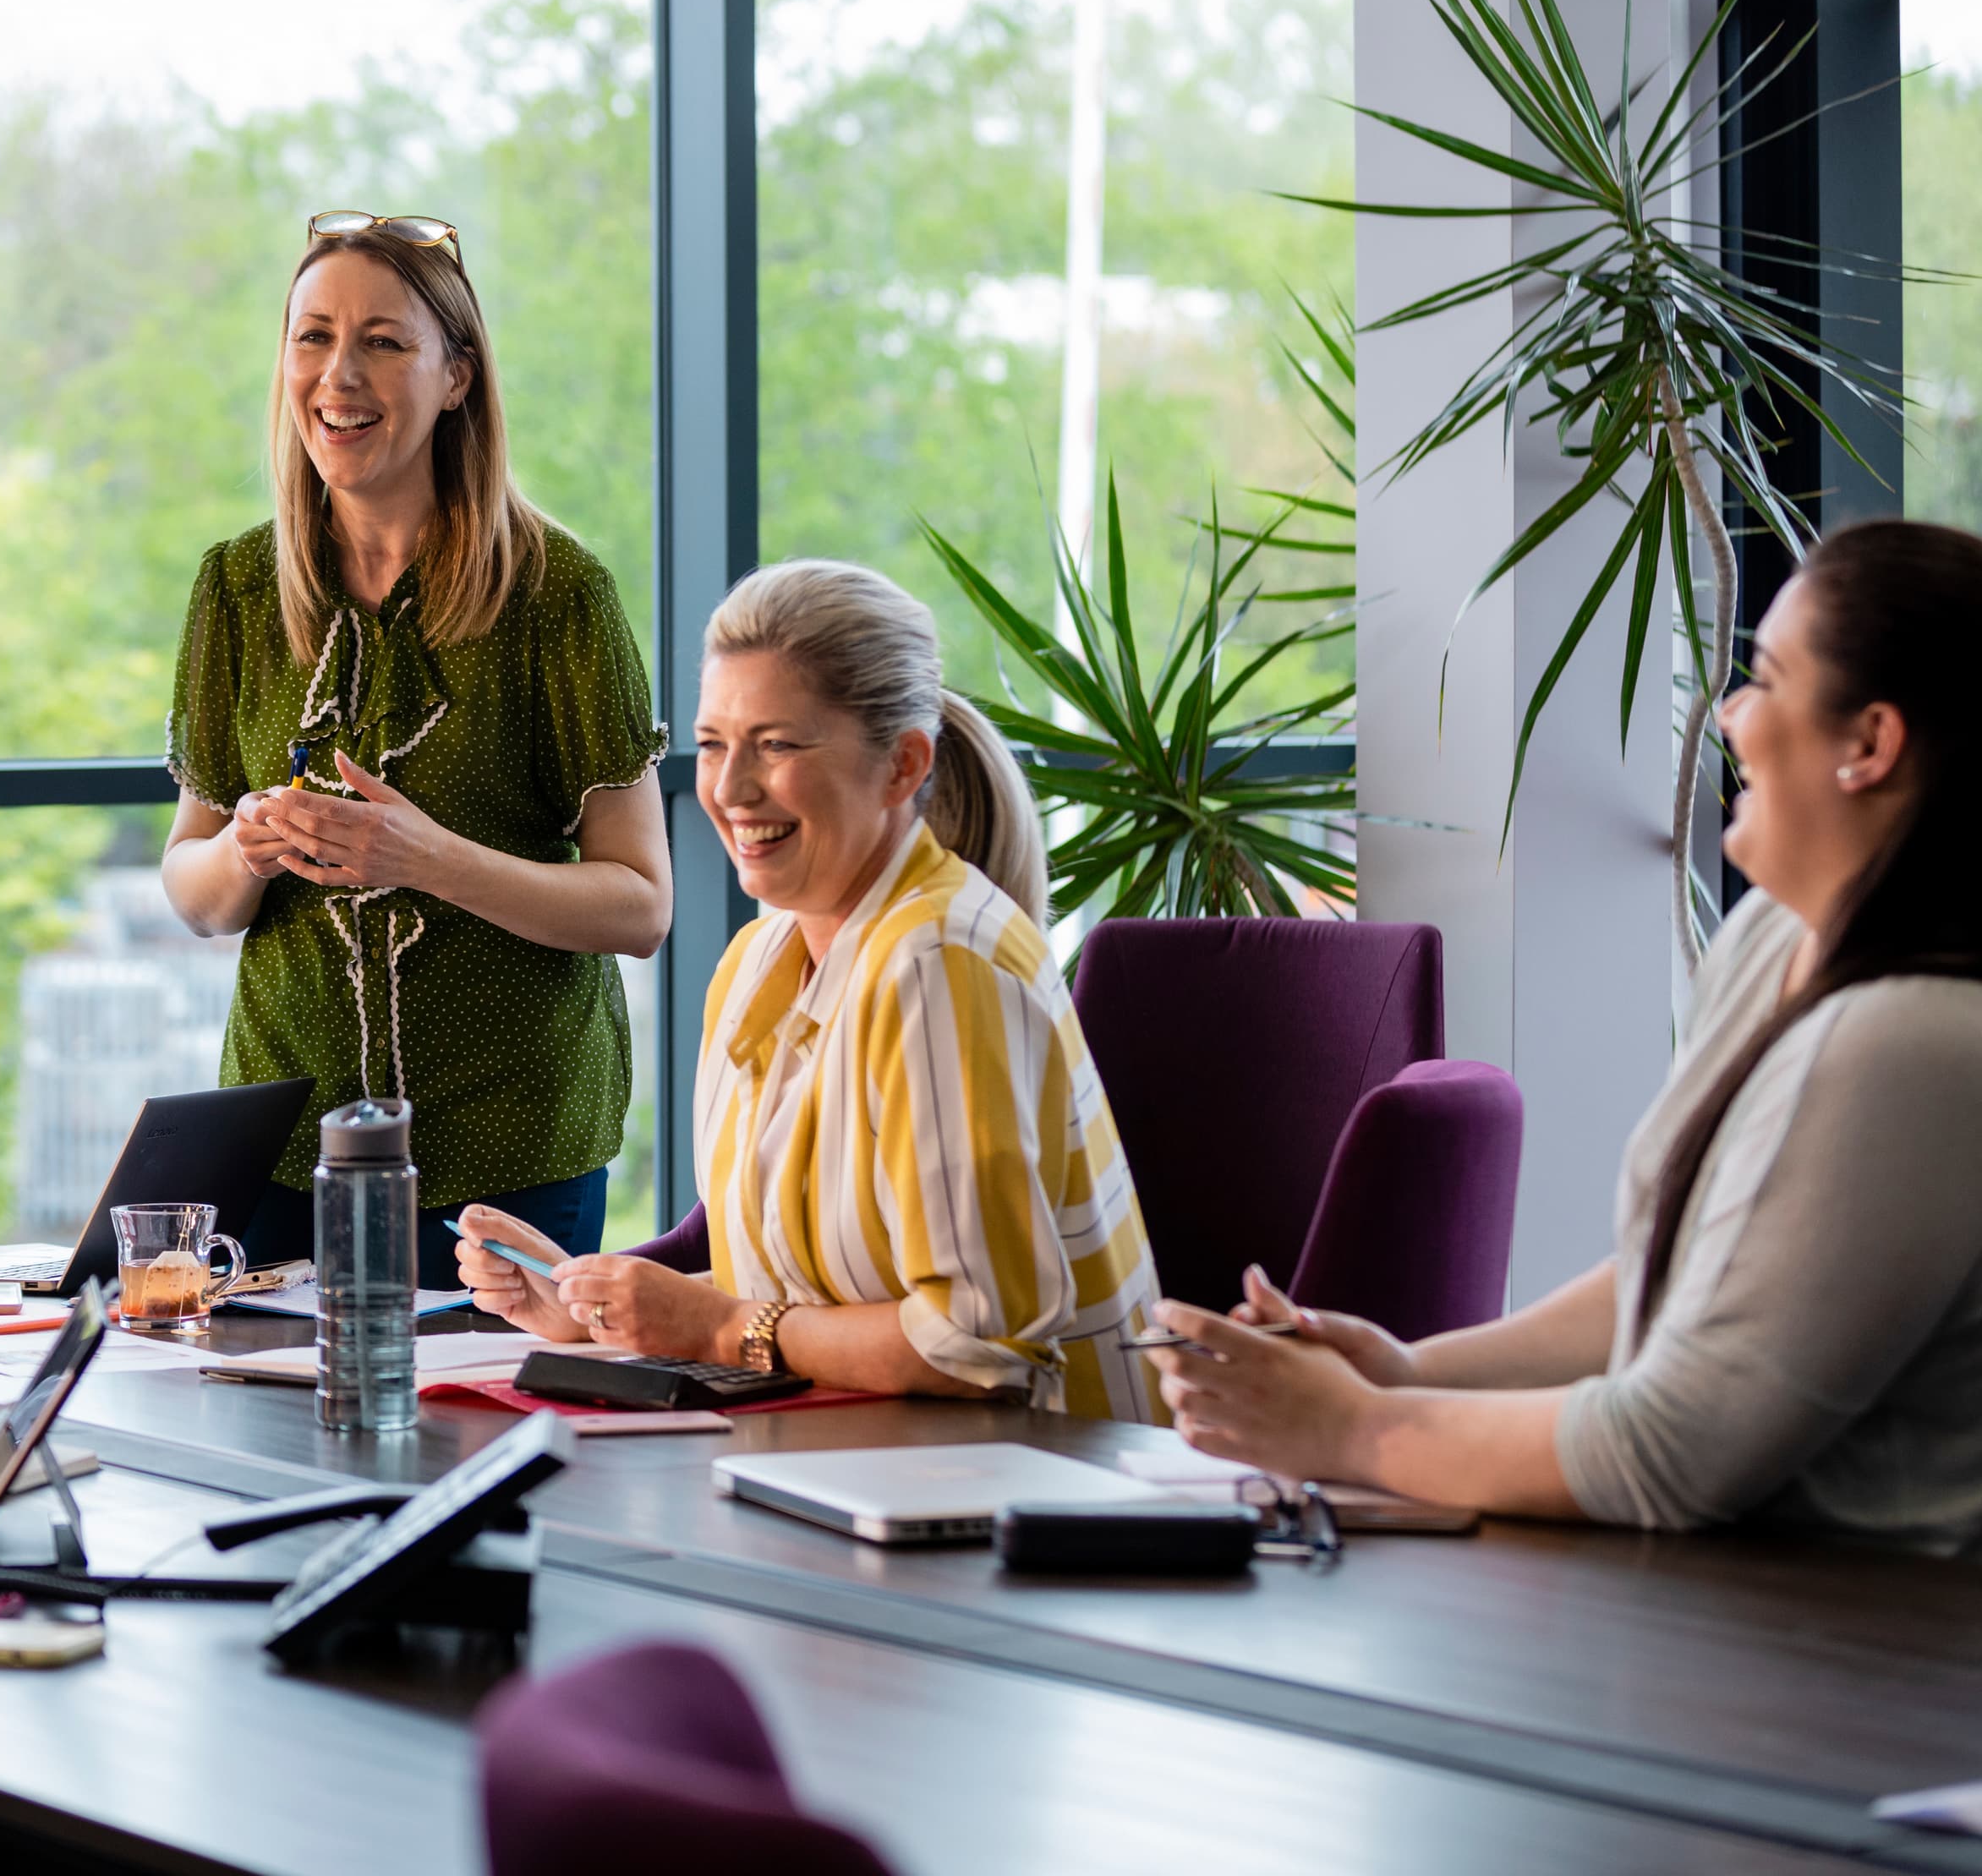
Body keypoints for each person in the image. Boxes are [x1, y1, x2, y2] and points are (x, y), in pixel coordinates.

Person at [1150, 521, 1982, 1551]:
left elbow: (1670, 1454)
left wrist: (1349, 1427)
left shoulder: (1917, 1043)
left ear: (1870, 743)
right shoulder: (1773, 936)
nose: (1727, 714)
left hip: (1851, 1656)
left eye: (1764, 679)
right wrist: (1406, 1373)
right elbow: (1676, 1283)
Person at [456, 560, 1163, 1420]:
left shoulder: (939, 962)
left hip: (1030, 1497)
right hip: (855, 1460)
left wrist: (714, 1329)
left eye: (778, 744)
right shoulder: (760, 961)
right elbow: (801, 1289)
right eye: (713, 743)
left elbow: (979, 1343)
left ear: (903, 767)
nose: (728, 788)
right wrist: (595, 1305)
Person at [162, 212, 672, 1284]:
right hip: (288, 1148)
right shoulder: (235, 590)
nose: (338, 375)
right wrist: (248, 846)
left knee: (469, 1439)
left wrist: (424, 857)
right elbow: (198, 892)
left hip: (508, 1148)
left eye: (385, 341)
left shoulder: (561, 596)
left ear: (456, 379)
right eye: (313, 336)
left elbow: (641, 906)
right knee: (270, 1445)